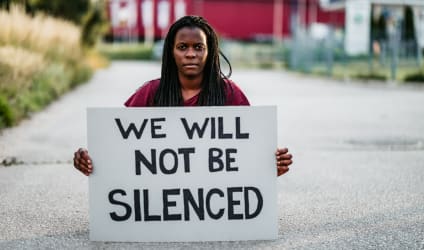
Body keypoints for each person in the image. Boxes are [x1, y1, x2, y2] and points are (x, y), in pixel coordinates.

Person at [73, 15, 292, 177]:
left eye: (198, 47)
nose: (190, 53)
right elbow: (117, 144)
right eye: (182, 47)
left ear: (210, 52)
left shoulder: (229, 93)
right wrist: (91, 160)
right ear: (171, 51)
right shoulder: (151, 93)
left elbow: (249, 150)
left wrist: (271, 165)